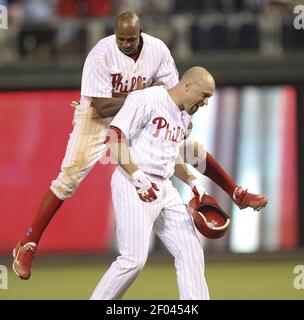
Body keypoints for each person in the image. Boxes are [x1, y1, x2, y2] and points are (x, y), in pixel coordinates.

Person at [12, 11, 180, 280]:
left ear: (141, 33)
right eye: (121, 38)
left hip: (135, 117)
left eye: (131, 39)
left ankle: (204, 196)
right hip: (95, 117)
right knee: (67, 180)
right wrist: (146, 98)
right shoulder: (100, 54)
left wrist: (162, 108)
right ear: (115, 34)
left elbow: (172, 95)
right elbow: (102, 106)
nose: (125, 43)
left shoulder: (157, 50)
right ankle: (28, 243)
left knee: (172, 152)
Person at [91, 67, 217, 300]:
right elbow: (113, 136)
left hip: (164, 187)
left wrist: (193, 183)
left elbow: (170, 155)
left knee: (190, 251)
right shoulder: (147, 98)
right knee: (133, 260)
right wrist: (138, 177)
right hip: (133, 182)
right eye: (205, 95)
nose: (206, 102)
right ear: (187, 86)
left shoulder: (185, 115)